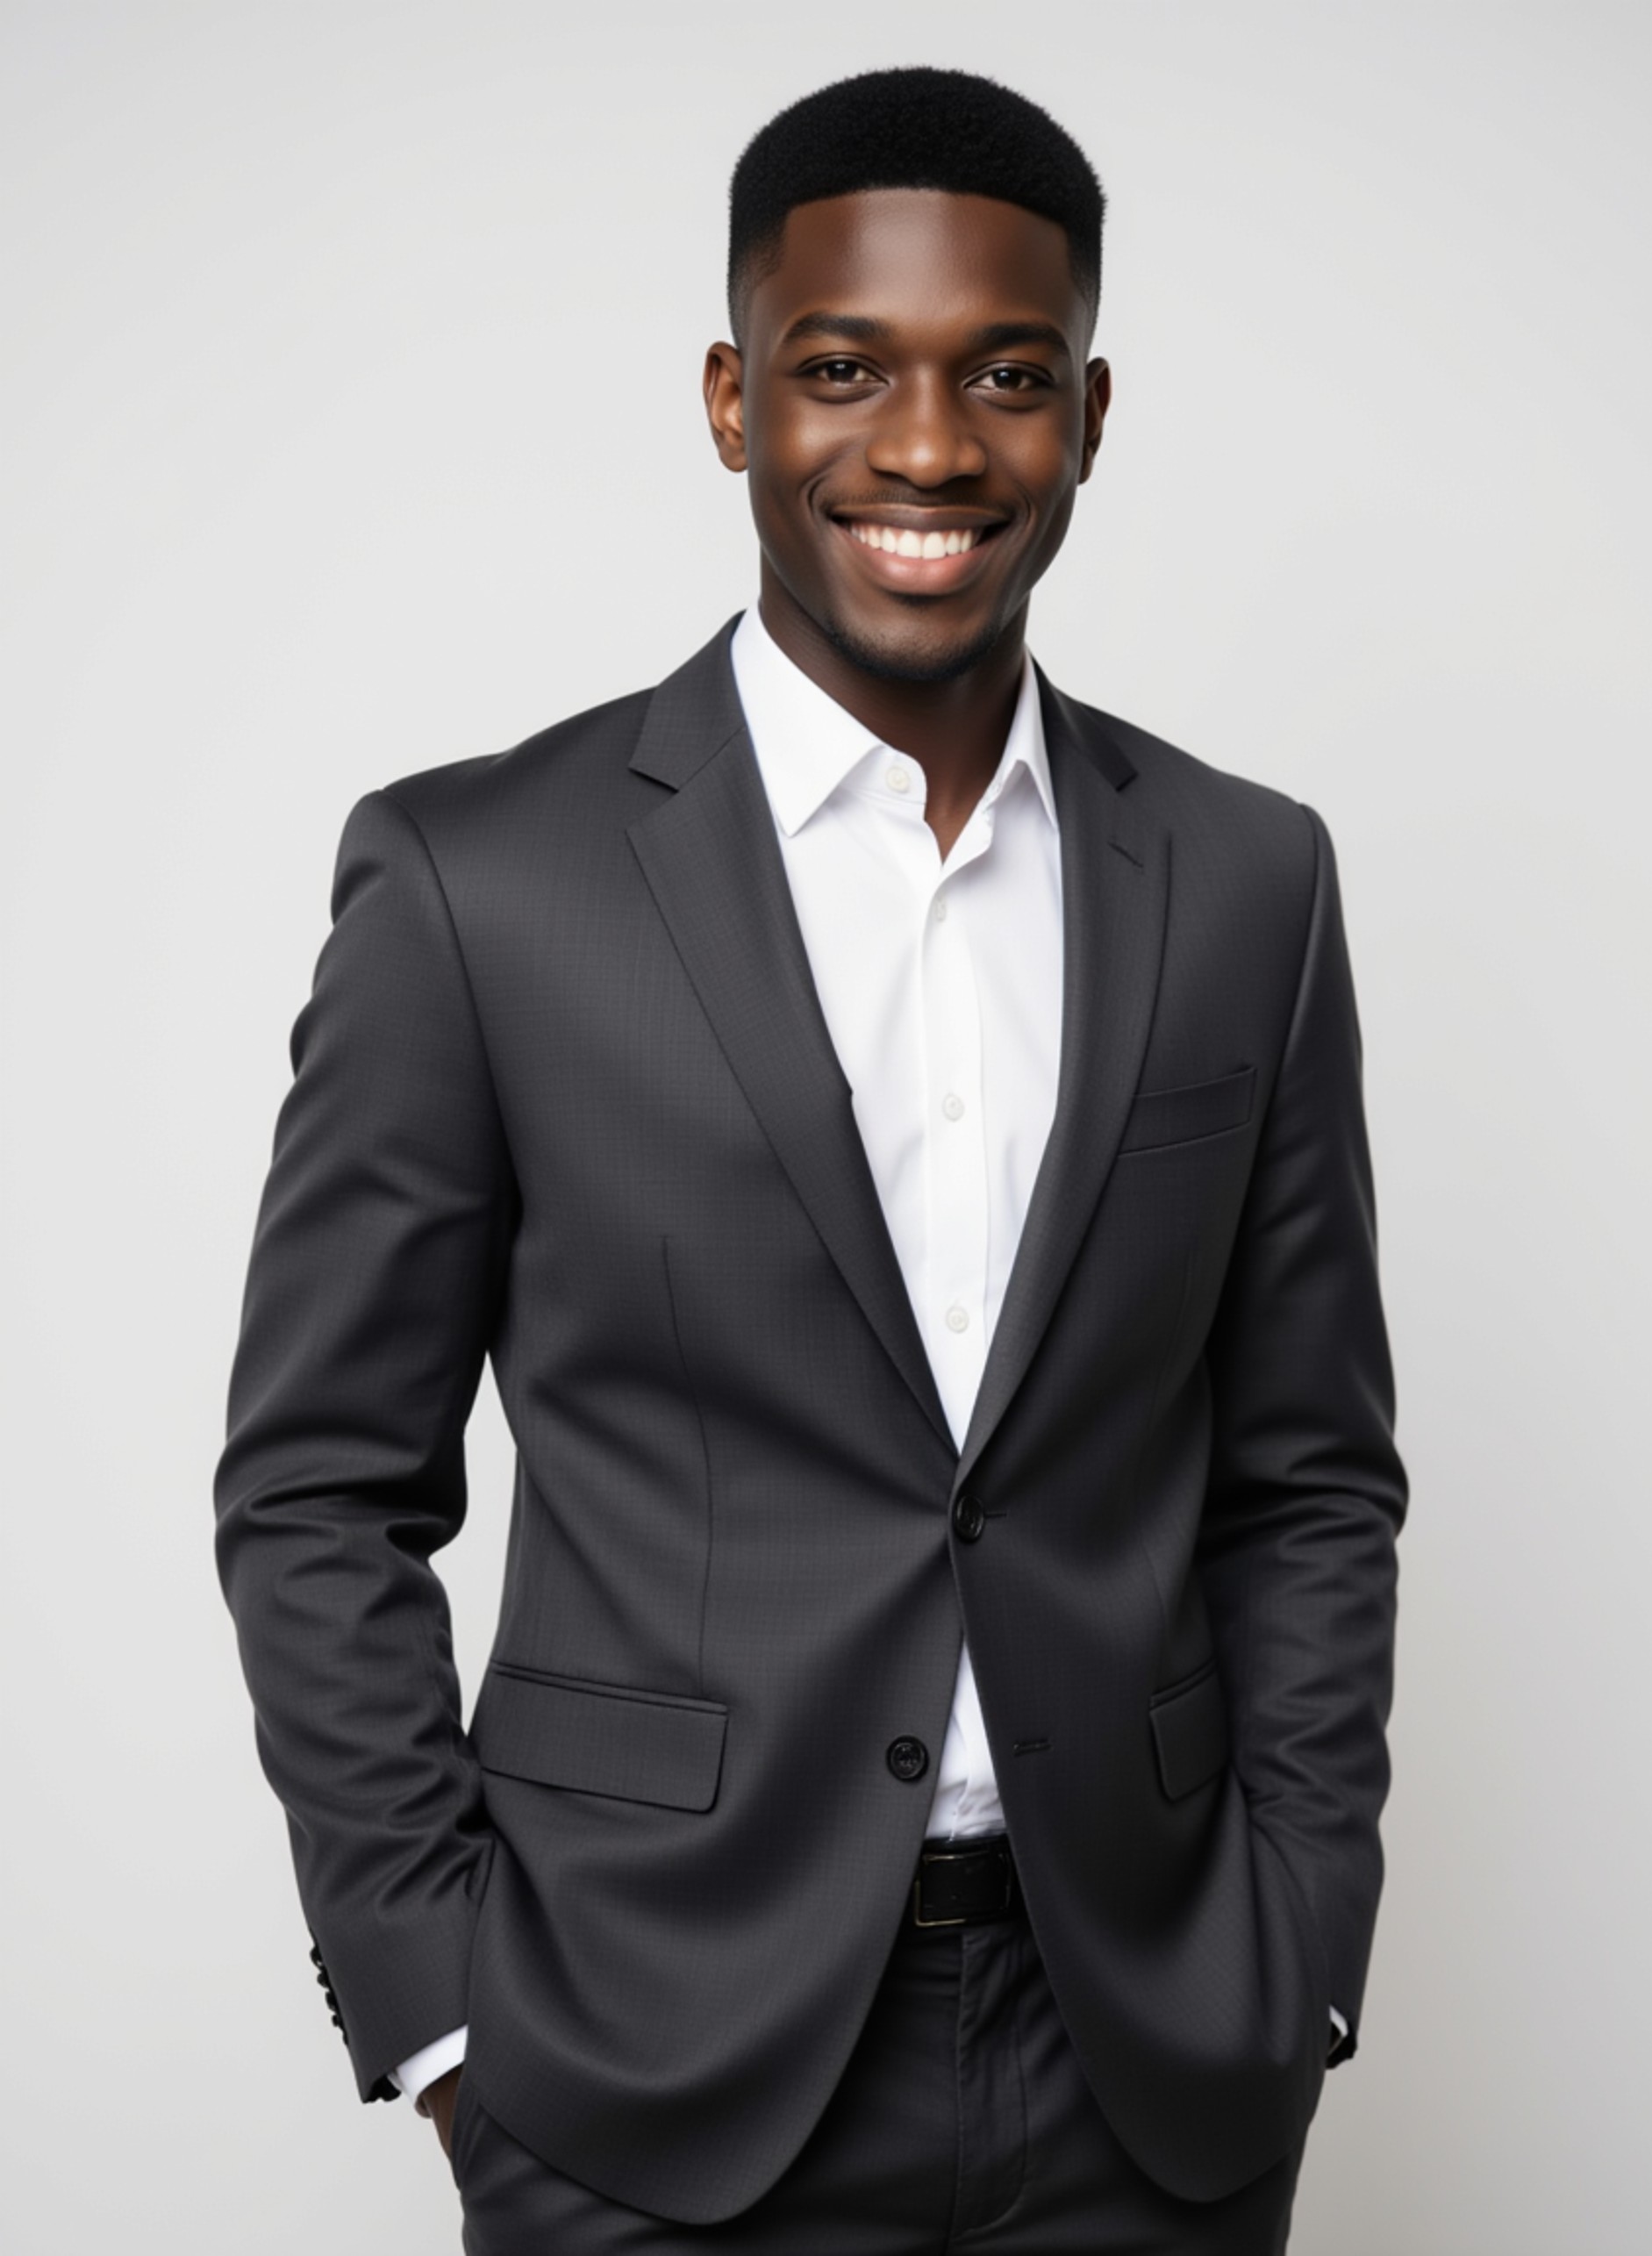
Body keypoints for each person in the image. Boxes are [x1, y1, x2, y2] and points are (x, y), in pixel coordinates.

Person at [216, 65, 1405, 2255]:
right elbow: (317, 1485)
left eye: (1008, 377)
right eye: (841, 369)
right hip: (642, 2064)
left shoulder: (1244, 879)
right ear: (728, 395)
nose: (931, 448)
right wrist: (451, 2018)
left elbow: (1310, 1468)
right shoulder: (481, 881)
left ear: (1094, 409)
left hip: (1148, 2051)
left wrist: (1298, 1947)